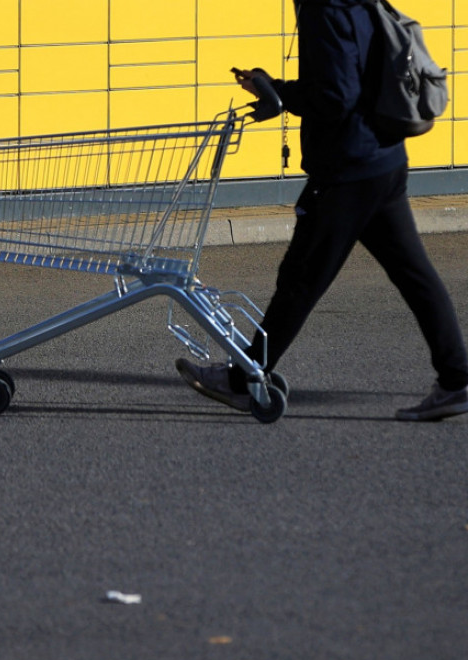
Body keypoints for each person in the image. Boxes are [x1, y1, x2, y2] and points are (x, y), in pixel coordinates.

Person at [176, 0, 468, 421]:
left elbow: (335, 96)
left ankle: (242, 380)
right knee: (414, 273)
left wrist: (277, 90)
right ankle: (456, 380)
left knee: (300, 279)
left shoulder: (322, 8)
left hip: (348, 170)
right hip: (383, 158)